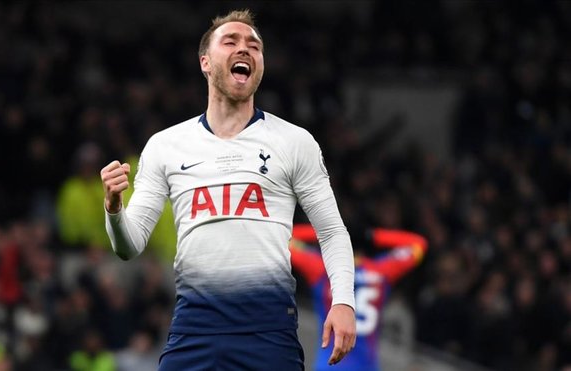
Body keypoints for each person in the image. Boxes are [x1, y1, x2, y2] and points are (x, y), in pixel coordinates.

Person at [101, 9, 356, 370]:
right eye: (231, 41)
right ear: (205, 62)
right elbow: (128, 246)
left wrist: (343, 301)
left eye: (254, 45)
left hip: (268, 331)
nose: (245, 49)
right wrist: (114, 208)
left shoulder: (295, 142)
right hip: (194, 330)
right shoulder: (166, 146)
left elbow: (331, 232)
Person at [290, 223, 428, 371]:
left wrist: (330, 229)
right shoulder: (381, 272)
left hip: (329, 366)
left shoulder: (322, 269)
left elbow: (286, 238)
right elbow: (419, 244)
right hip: (366, 366)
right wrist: (371, 235)